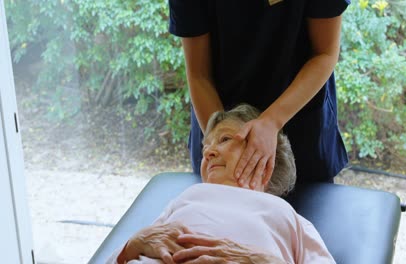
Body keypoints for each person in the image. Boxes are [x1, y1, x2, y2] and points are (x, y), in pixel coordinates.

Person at [108, 104, 335, 264]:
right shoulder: (187, 198)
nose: (208, 152)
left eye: (225, 139)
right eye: (205, 147)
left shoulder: (288, 217)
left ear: (267, 155)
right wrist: (134, 244)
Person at [168, 0, 350, 197]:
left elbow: (324, 53)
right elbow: (199, 75)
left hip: (299, 119)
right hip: (218, 113)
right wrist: (222, 141)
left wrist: (271, 121)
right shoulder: (217, 150)